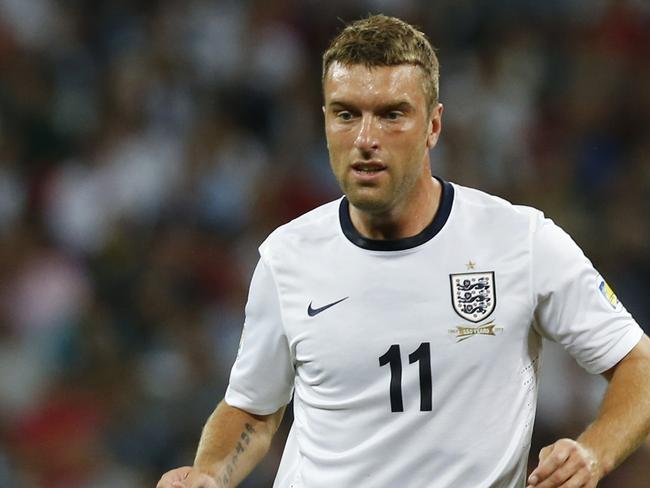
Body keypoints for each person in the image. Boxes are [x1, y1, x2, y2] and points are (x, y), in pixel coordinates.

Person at [157, 14, 650, 488]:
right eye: (346, 114)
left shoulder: (520, 242)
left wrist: (593, 452)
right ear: (325, 121)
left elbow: (640, 366)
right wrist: (210, 475)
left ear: (433, 126)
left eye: (392, 114)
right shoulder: (287, 258)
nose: (366, 139)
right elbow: (252, 409)